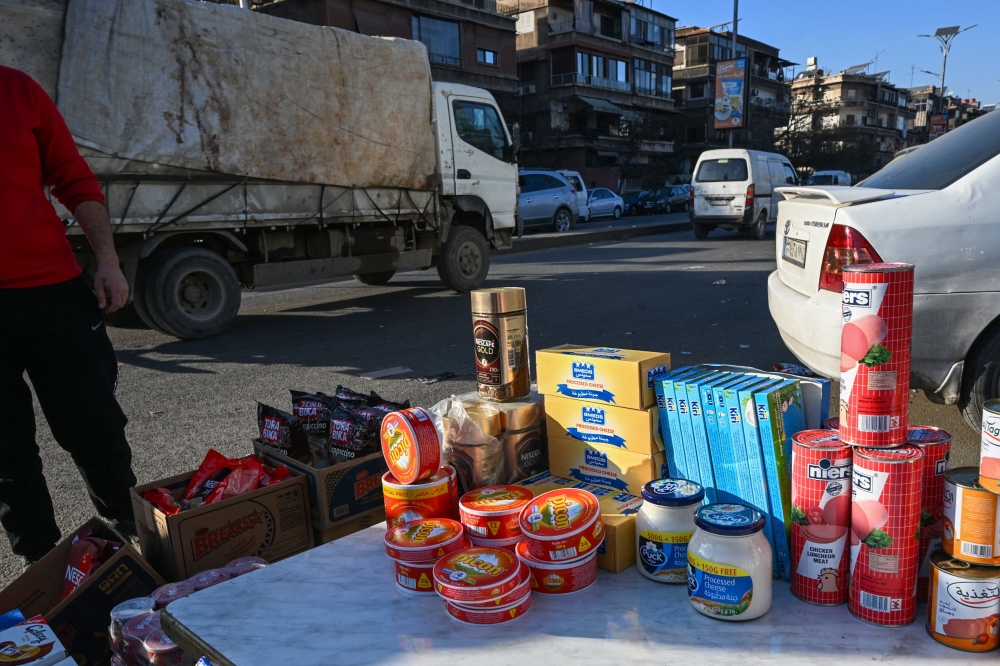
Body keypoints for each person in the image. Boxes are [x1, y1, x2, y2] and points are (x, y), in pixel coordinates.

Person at [0, 65, 137, 567]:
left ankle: (132, 538)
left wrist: (107, 261)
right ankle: (41, 567)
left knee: (96, 426)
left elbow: (72, 177)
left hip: (51, 291)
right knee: (6, 454)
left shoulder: (18, 90)